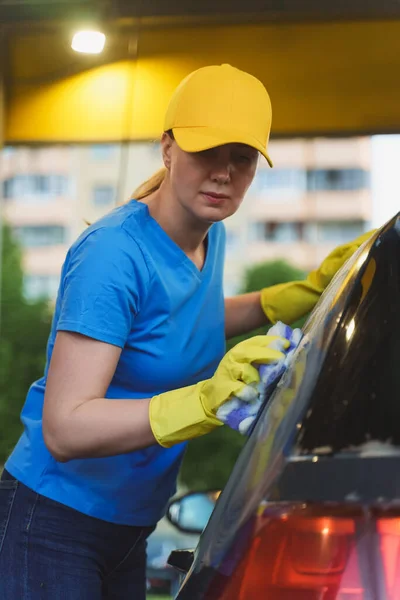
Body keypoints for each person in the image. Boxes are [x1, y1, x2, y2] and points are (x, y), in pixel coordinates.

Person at [0, 64, 372, 599]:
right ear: (167, 148)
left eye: (241, 158)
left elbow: (170, 326)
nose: (223, 173)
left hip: (132, 524)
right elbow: (65, 426)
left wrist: (288, 299)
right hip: (53, 522)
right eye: (206, 151)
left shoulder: (207, 237)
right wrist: (202, 402)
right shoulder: (113, 253)